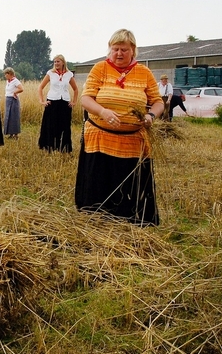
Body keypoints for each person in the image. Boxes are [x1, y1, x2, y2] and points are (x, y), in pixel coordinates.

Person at [75, 28, 165, 227]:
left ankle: (130, 220)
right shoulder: (100, 69)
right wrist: (103, 112)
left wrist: (151, 116)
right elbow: (86, 99)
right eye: (115, 49)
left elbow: (158, 102)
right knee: (99, 182)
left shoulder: (144, 72)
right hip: (100, 138)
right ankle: (96, 220)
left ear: (133, 50)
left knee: (129, 185)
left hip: (132, 141)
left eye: (124, 49)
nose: (119, 53)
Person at [37, 54, 78, 152]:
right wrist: (42, 101)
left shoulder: (69, 74)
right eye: (54, 62)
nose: (56, 63)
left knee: (64, 126)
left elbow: (75, 89)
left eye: (58, 61)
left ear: (63, 62)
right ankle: (49, 146)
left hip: (65, 103)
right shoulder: (50, 73)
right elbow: (40, 87)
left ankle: (63, 147)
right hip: (52, 102)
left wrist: (74, 102)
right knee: (51, 125)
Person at [3, 67, 24, 139]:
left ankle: (16, 134)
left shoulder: (15, 81)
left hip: (13, 100)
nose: (5, 75)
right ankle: (10, 133)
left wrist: (15, 92)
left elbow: (21, 89)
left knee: (14, 116)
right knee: (8, 116)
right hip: (8, 99)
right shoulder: (8, 81)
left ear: (10, 74)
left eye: (6, 74)